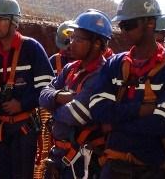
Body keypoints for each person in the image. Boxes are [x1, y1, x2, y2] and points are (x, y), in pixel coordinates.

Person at [89, 0, 165, 178]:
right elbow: (97, 109)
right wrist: (139, 110)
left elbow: (162, 123)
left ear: (150, 23)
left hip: (153, 170)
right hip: (113, 167)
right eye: (121, 25)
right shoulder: (115, 64)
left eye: (129, 25)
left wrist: (114, 124)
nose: (123, 30)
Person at [0, 0, 54, 179]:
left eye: (2, 19)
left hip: (23, 129)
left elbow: (46, 87)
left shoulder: (32, 48)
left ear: (15, 22)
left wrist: (23, 104)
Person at [39, 9, 112, 179]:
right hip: (59, 154)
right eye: (72, 37)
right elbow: (42, 95)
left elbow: (76, 115)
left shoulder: (102, 75)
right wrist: (60, 97)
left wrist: (53, 108)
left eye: (78, 39)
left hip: (83, 160)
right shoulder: (70, 69)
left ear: (97, 43)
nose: (71, 43)